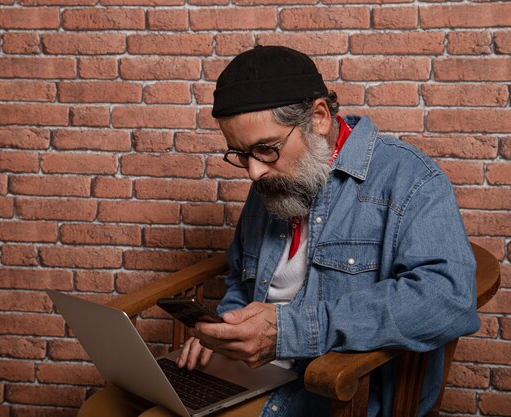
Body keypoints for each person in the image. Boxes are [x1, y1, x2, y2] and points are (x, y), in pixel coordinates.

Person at [80, 45, 480, 417]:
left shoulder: (408, 179)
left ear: (319, 118)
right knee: (100, 410)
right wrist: (223, 328)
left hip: (332, 385)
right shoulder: (274, 180)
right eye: (241, 154)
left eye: (266, 149)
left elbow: (448, 299)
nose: (254, 171)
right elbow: (242, 275)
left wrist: (291, 331)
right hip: (249, 367)